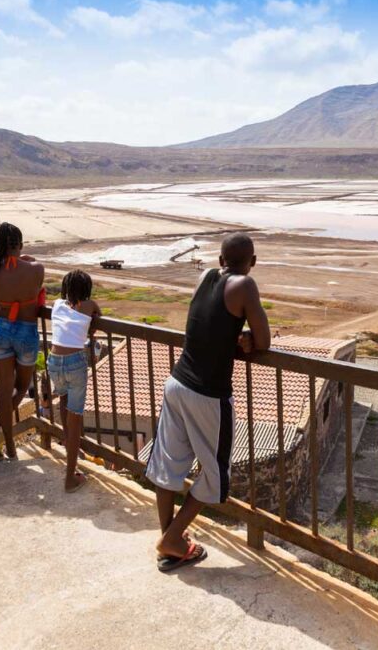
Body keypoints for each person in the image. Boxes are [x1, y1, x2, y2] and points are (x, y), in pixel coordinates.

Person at [145, 232, 271, 572]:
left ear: (219, 260)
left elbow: (209, 323)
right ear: (253, 263)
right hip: (208, 393)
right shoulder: (245, 285)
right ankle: (172, 539)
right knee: (216, 473)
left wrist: (235, 337)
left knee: (168, 464)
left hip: (177, 382)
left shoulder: (205, 277)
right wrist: (246, 339)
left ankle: (171, 543)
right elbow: (265, 341)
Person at [0, 222, 45, 461]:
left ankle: (7, 445)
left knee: (4, 391)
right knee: (21, 388)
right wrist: (27, 260)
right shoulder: (36, 269)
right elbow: (35, 287)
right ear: (19, 244)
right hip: (26, 331)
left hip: (2, 330)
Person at [48, 270, 101, 493]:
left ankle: (71, 450)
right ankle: (70, 477)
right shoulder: (90, 306)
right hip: (74, 362)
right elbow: (95, 322)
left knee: (64, 404)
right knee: (76, 416)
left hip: (54, 361)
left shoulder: (57, 303)